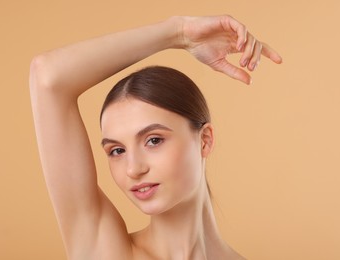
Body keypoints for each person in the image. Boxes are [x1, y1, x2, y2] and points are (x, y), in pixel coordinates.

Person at [29, 15, 282, 260]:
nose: (133, 169)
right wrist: (178, 32)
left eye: (153, 140)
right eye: (117, 151)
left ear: (204, 140)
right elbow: (48, 76)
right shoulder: (104, 250)